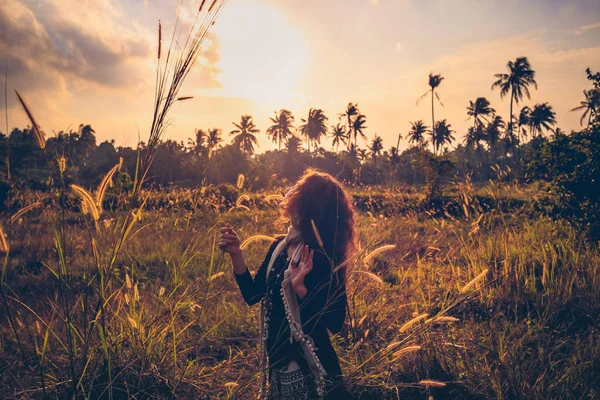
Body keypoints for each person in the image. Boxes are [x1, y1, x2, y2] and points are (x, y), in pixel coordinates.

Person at [218, 169, 356, 399]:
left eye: (298, 188)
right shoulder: (279, 248)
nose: (290, 190)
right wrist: (235, 254)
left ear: (307, 204)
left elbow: (335, 322)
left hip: (310, 370)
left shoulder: (322, 258)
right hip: (278, 361)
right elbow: (253, 295)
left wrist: (301, 289)